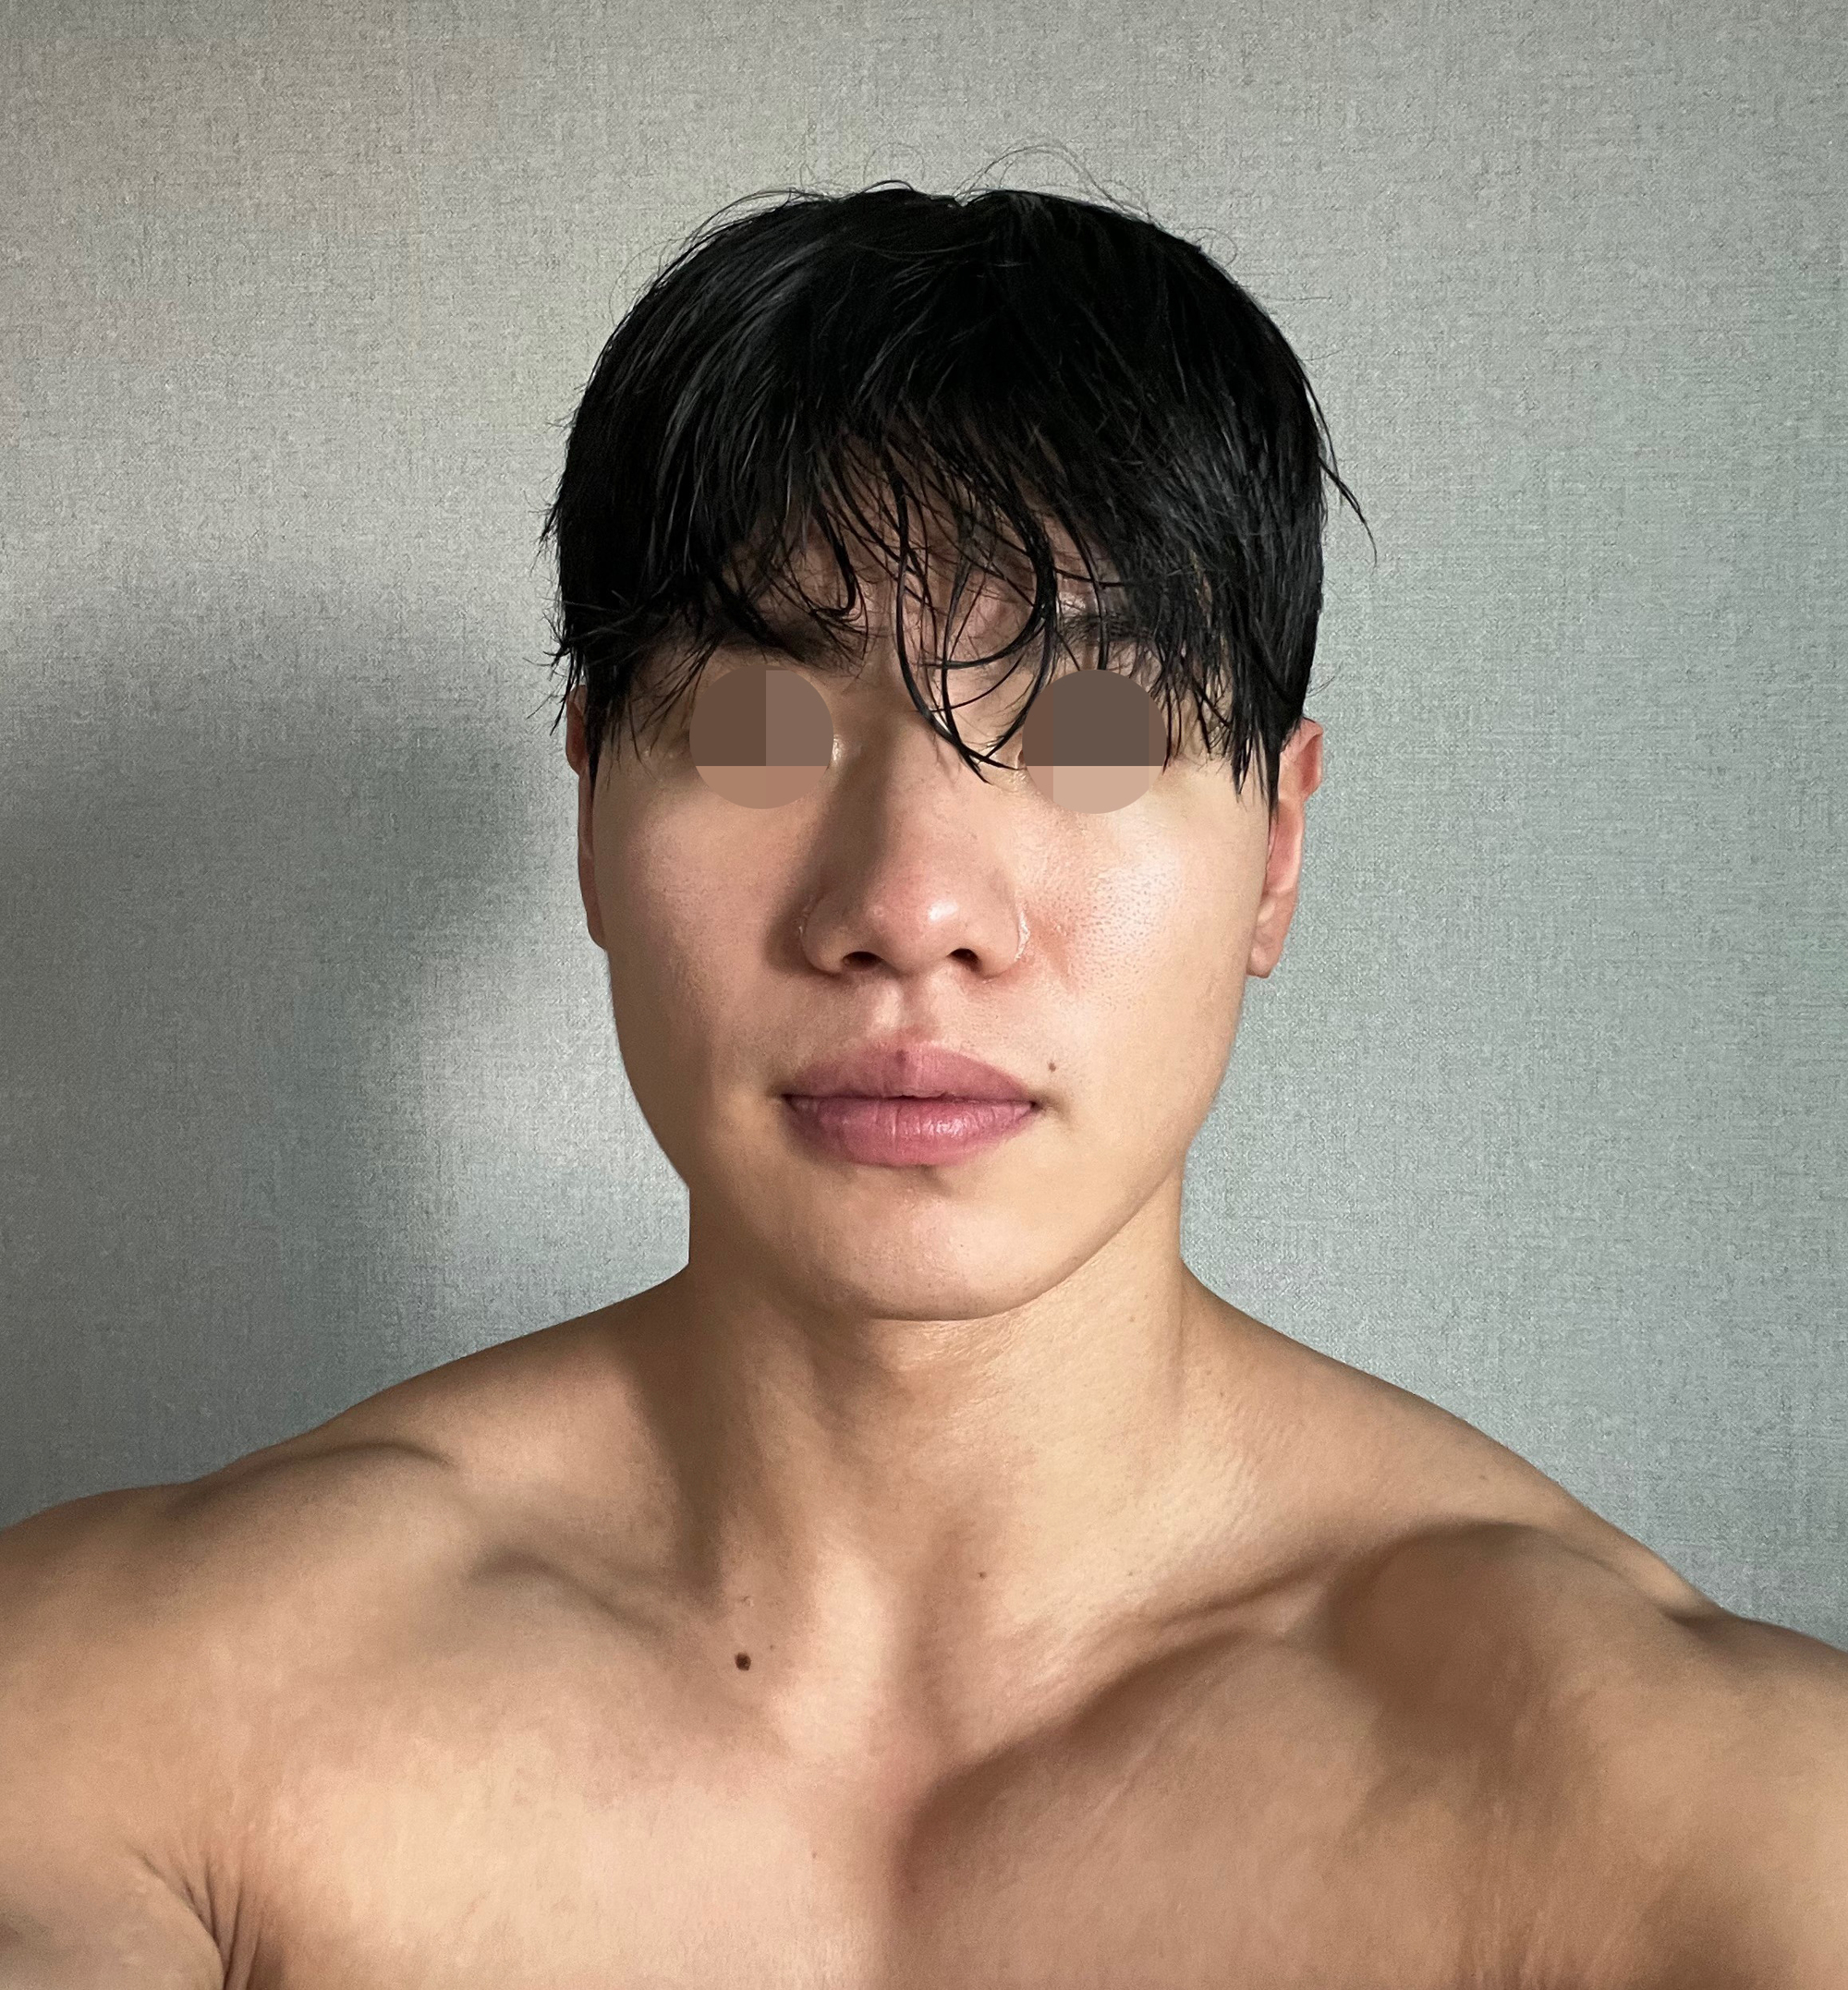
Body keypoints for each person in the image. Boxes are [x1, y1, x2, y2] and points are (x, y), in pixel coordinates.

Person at [1, 183, 1842, 1990]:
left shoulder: (1700, 1806)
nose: (910, 908)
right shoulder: (124, 1714)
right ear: (590, 811)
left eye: (1093, 731)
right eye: (758, 730)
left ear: (1276, 849)